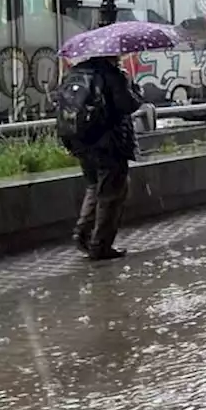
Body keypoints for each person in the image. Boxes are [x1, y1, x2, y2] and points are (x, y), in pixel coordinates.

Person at [55, 56, 143, 261]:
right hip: (109, 144)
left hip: (82, 141)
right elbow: (127, 105)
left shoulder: (77, 72)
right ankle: (100, 246)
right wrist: (136, 91)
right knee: (111, 194)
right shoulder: (112, 74)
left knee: (94, 186)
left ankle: (82, 233)